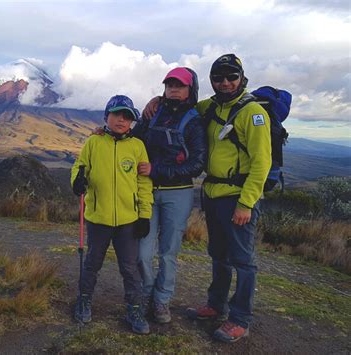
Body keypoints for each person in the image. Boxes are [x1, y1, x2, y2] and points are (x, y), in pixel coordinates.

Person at [144, 54, 271, 343]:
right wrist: (156, 99)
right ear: (211, 81)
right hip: (212, 193)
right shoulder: (210, 107)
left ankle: (240, 319)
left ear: (241, 78)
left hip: (238, 195)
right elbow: (179, 103)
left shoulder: (252, 113)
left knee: (243, 259)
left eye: (231, 77)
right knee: (218, 254)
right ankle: (216, 305)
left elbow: (262, 163)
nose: (225, 83)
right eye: (218, 77)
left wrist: (246, 203)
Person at [71, 95, 154, 335]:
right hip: (98, 218)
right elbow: (80, 167)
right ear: (106, 116)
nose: (121, 120)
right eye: (117, 114)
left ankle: (135, 309)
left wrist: (144, 215)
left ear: (132, 122)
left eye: (127, 116)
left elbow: (143, 182)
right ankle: (84, 301)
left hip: (128, 221)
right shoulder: (93, 143)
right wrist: (76, 181)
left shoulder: (137, 146)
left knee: (130, 267)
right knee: (92, 263)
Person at [133, 67, 206, 323]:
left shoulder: (195, 120)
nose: (173, 89)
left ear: (190, 89)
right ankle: (146, 293)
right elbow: (131, 140)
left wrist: (156, 169)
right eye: (169, 84)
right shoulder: (153, 113)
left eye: (180, 85)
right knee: (142, 252)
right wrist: (105, 134)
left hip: (179, 194)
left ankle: (161, 302)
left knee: (167, 253)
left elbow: (197, 164)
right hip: (148, 193)